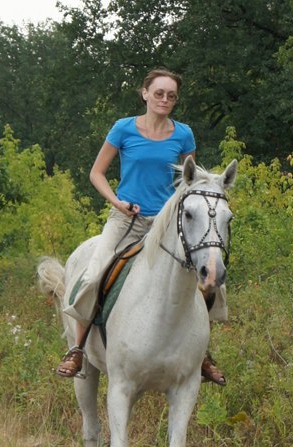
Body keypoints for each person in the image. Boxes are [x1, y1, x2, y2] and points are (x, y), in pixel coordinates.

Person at [57, 69, 227, 385]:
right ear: (145, 93)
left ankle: (201, 353)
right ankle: (78, 348)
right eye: (159, 93)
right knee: (93, 275)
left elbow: (190, 182)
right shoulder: (123, 128)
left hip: (167, 224)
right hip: (126, 220)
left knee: (211, 277)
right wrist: (116, 202)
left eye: (171, 95)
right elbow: (96, 173)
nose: (165, 99)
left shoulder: (183, 134)